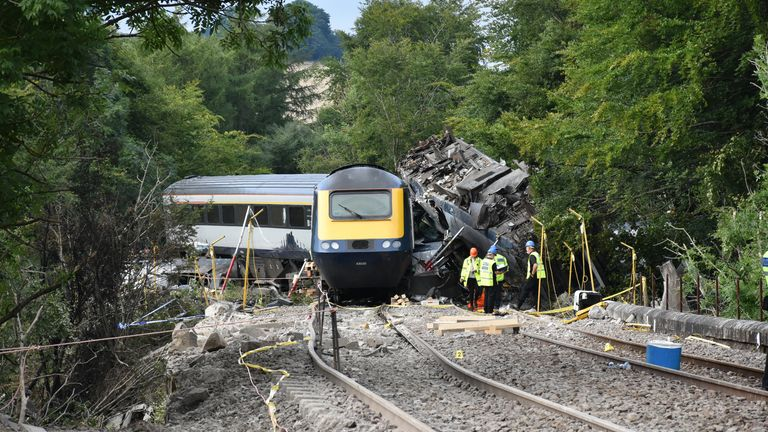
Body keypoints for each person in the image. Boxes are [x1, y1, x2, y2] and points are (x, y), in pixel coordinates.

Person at [515, 240, 546, 310]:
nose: (526, 249)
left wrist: (532, 274)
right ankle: (538, 308)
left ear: (530, 248)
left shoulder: (532, 255)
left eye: (526, 247)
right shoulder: (537, 254)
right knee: (536, 293)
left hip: (533, 276)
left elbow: (535, 265)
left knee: (525, 289)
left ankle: (518, 306)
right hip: (539, 276)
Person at [479, 248, 499, 314]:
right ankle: (490, 311)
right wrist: (501, 272)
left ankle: (486, 310)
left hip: (484, 281)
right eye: (494, 255)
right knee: (491, 297)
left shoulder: (483, 261)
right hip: (491, 281)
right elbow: (496, 272)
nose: (494, 256)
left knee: (486, 296)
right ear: (493, 254)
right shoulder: (492, 263)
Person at [491, 245, 509, 310]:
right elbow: (507, 268)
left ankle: (492, 306)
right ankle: (496, 306)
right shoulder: (503, 258)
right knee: (498, 293)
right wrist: (501, 272)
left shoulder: (490, 258)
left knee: (491, 293)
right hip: (500, 279)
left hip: (492, 279)